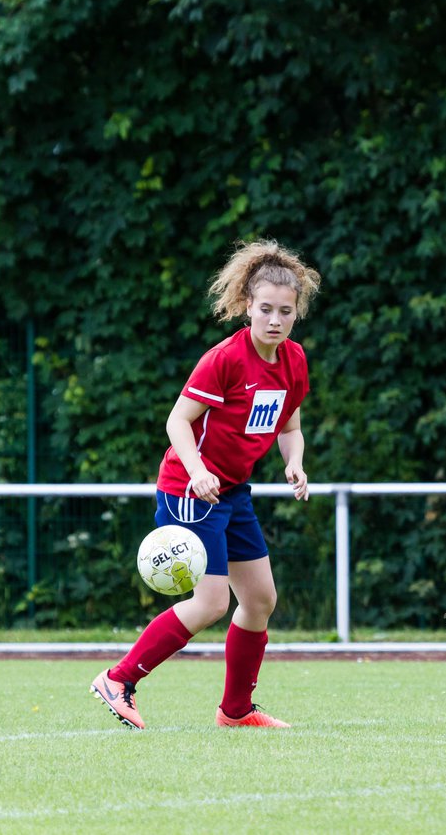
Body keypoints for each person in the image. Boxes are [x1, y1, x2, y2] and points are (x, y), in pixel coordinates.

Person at [90, 240, 321, 730]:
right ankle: (118, 679)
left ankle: (235, 710)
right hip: (189, 490)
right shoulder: (225, 359)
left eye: (285, 311)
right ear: (246, 307)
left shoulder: (294, 361)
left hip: (233, 492)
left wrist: (295, 464)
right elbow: (178, 422)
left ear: (296, 313)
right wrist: (197, 470)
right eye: (265, 310)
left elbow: (290, 427)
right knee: (213, 602)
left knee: (259, 601)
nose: (275, 320)